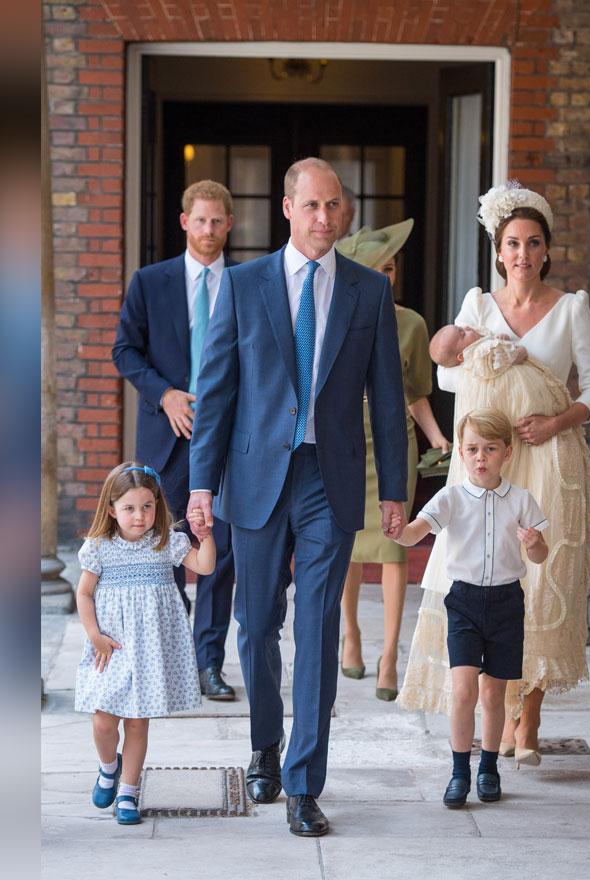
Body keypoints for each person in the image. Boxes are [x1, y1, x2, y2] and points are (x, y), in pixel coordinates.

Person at [187, 157, 408, 837]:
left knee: (316, 631)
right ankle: (264, 747)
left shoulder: (368, 293)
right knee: (256, 627)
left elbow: (389, 401)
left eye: (333, 206)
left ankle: (305, 784)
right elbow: (217, 387)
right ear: (286, 209)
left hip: (328, 481)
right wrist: (200, 483)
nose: (323, 218)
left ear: (343, 212)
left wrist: (397, 489)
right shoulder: (246, 284)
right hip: (253, 480)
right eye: (311, 206)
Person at [397, 181, 590, 767]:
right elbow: (444, 375)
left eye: (532, 243)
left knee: (541, 581)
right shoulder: (478, 306)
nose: (521, 253)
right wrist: (481, 356)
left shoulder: (571, 309)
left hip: (549, 457)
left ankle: (530, 716)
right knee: (486, 577)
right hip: (489, 459)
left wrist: (557, 419)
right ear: (499, 250)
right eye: (511, 243)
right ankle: (500, 710)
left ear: (545, 251)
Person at [112, 180, 239, 701]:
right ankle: (171, 653)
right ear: (184, 221)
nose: (209, 230)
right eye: (200, 220)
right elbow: (125, 351)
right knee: (164, 547)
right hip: (167, 437)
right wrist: (164, 394)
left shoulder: (246, 283)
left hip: (229, 439)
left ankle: (209, 662)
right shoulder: (150, 282)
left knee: (218, 549)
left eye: (218, 221)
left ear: (230, 224)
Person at [392, 408, 548, 807]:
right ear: (461, 453)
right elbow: (414, 534)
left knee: (493, 695)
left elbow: (541, 553)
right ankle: (460, 771)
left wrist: (533, 544)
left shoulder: (521, 500)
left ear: (507, 453)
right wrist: (398, 529)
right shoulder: (451, 498)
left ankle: (489, 767)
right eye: (473, 449)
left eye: (490, 449)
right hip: (463, 601)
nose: (481, 457)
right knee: (462, 691)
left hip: (506, 603)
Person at [333, 219, 450, 700]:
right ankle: (353, 636)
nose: (387, 276)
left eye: (391, 268)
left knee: (395, 546)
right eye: (376, 269)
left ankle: (389, 656)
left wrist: (440, 439)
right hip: (346, 443)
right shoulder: (335, 317)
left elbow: (419, 393)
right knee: (349, 549)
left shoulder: (413, 324)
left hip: (393, 444)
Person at [74, 462, 216, 825]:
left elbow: (204, 567)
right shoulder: (100, 548)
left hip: (150, 649)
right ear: (112, 510)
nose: (140, 516)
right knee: (104, 720)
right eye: (129, 508)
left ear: (158, 506)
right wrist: (95, 636)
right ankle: (109, 767)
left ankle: (128, 791)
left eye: (147, 507)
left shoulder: (166, 540)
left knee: (137, 722)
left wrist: (207, 536)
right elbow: (85, 594)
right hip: (112, 647)